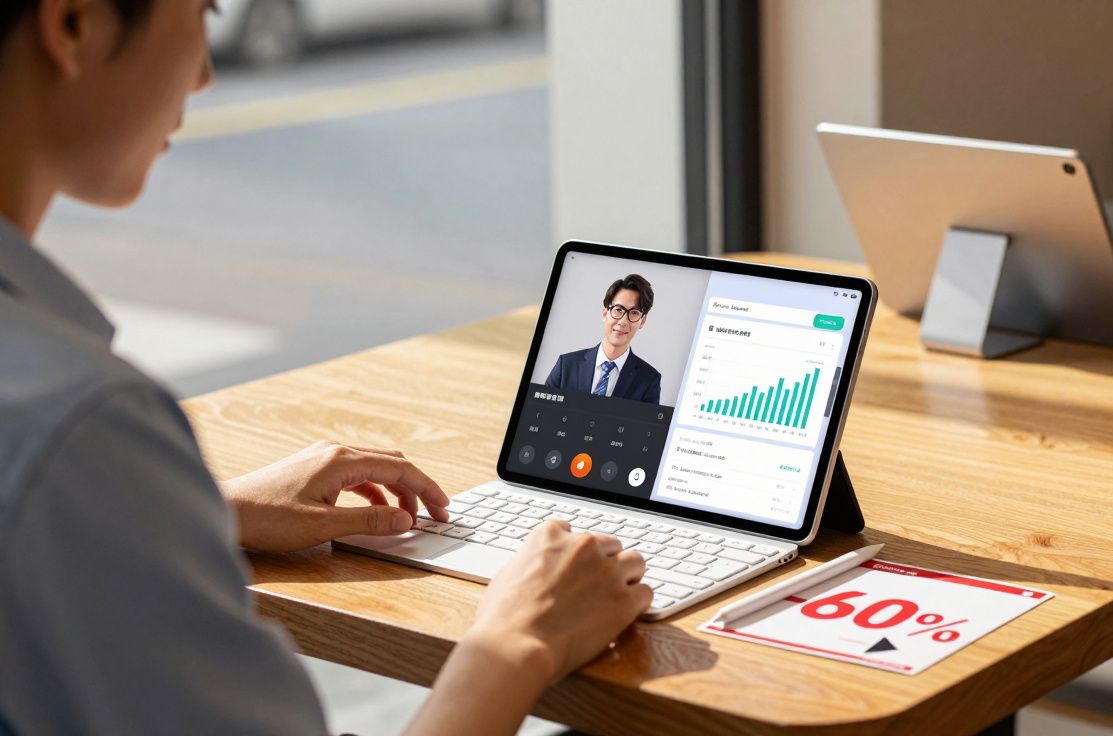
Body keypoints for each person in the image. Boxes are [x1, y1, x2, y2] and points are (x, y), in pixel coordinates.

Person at [0, 2, 651, 734]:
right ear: (75, 24)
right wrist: (518, 640)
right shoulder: (78, 424)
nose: (207, 74)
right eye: (203, 11)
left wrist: (204, 514)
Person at [545, 274, 662, 404]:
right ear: (605, 313)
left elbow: (644, 424)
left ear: (642, 321)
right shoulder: (566, 365)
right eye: (618, 310)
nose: (623, 321)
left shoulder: (649, 380)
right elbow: (539, 412)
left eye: (634, 313)